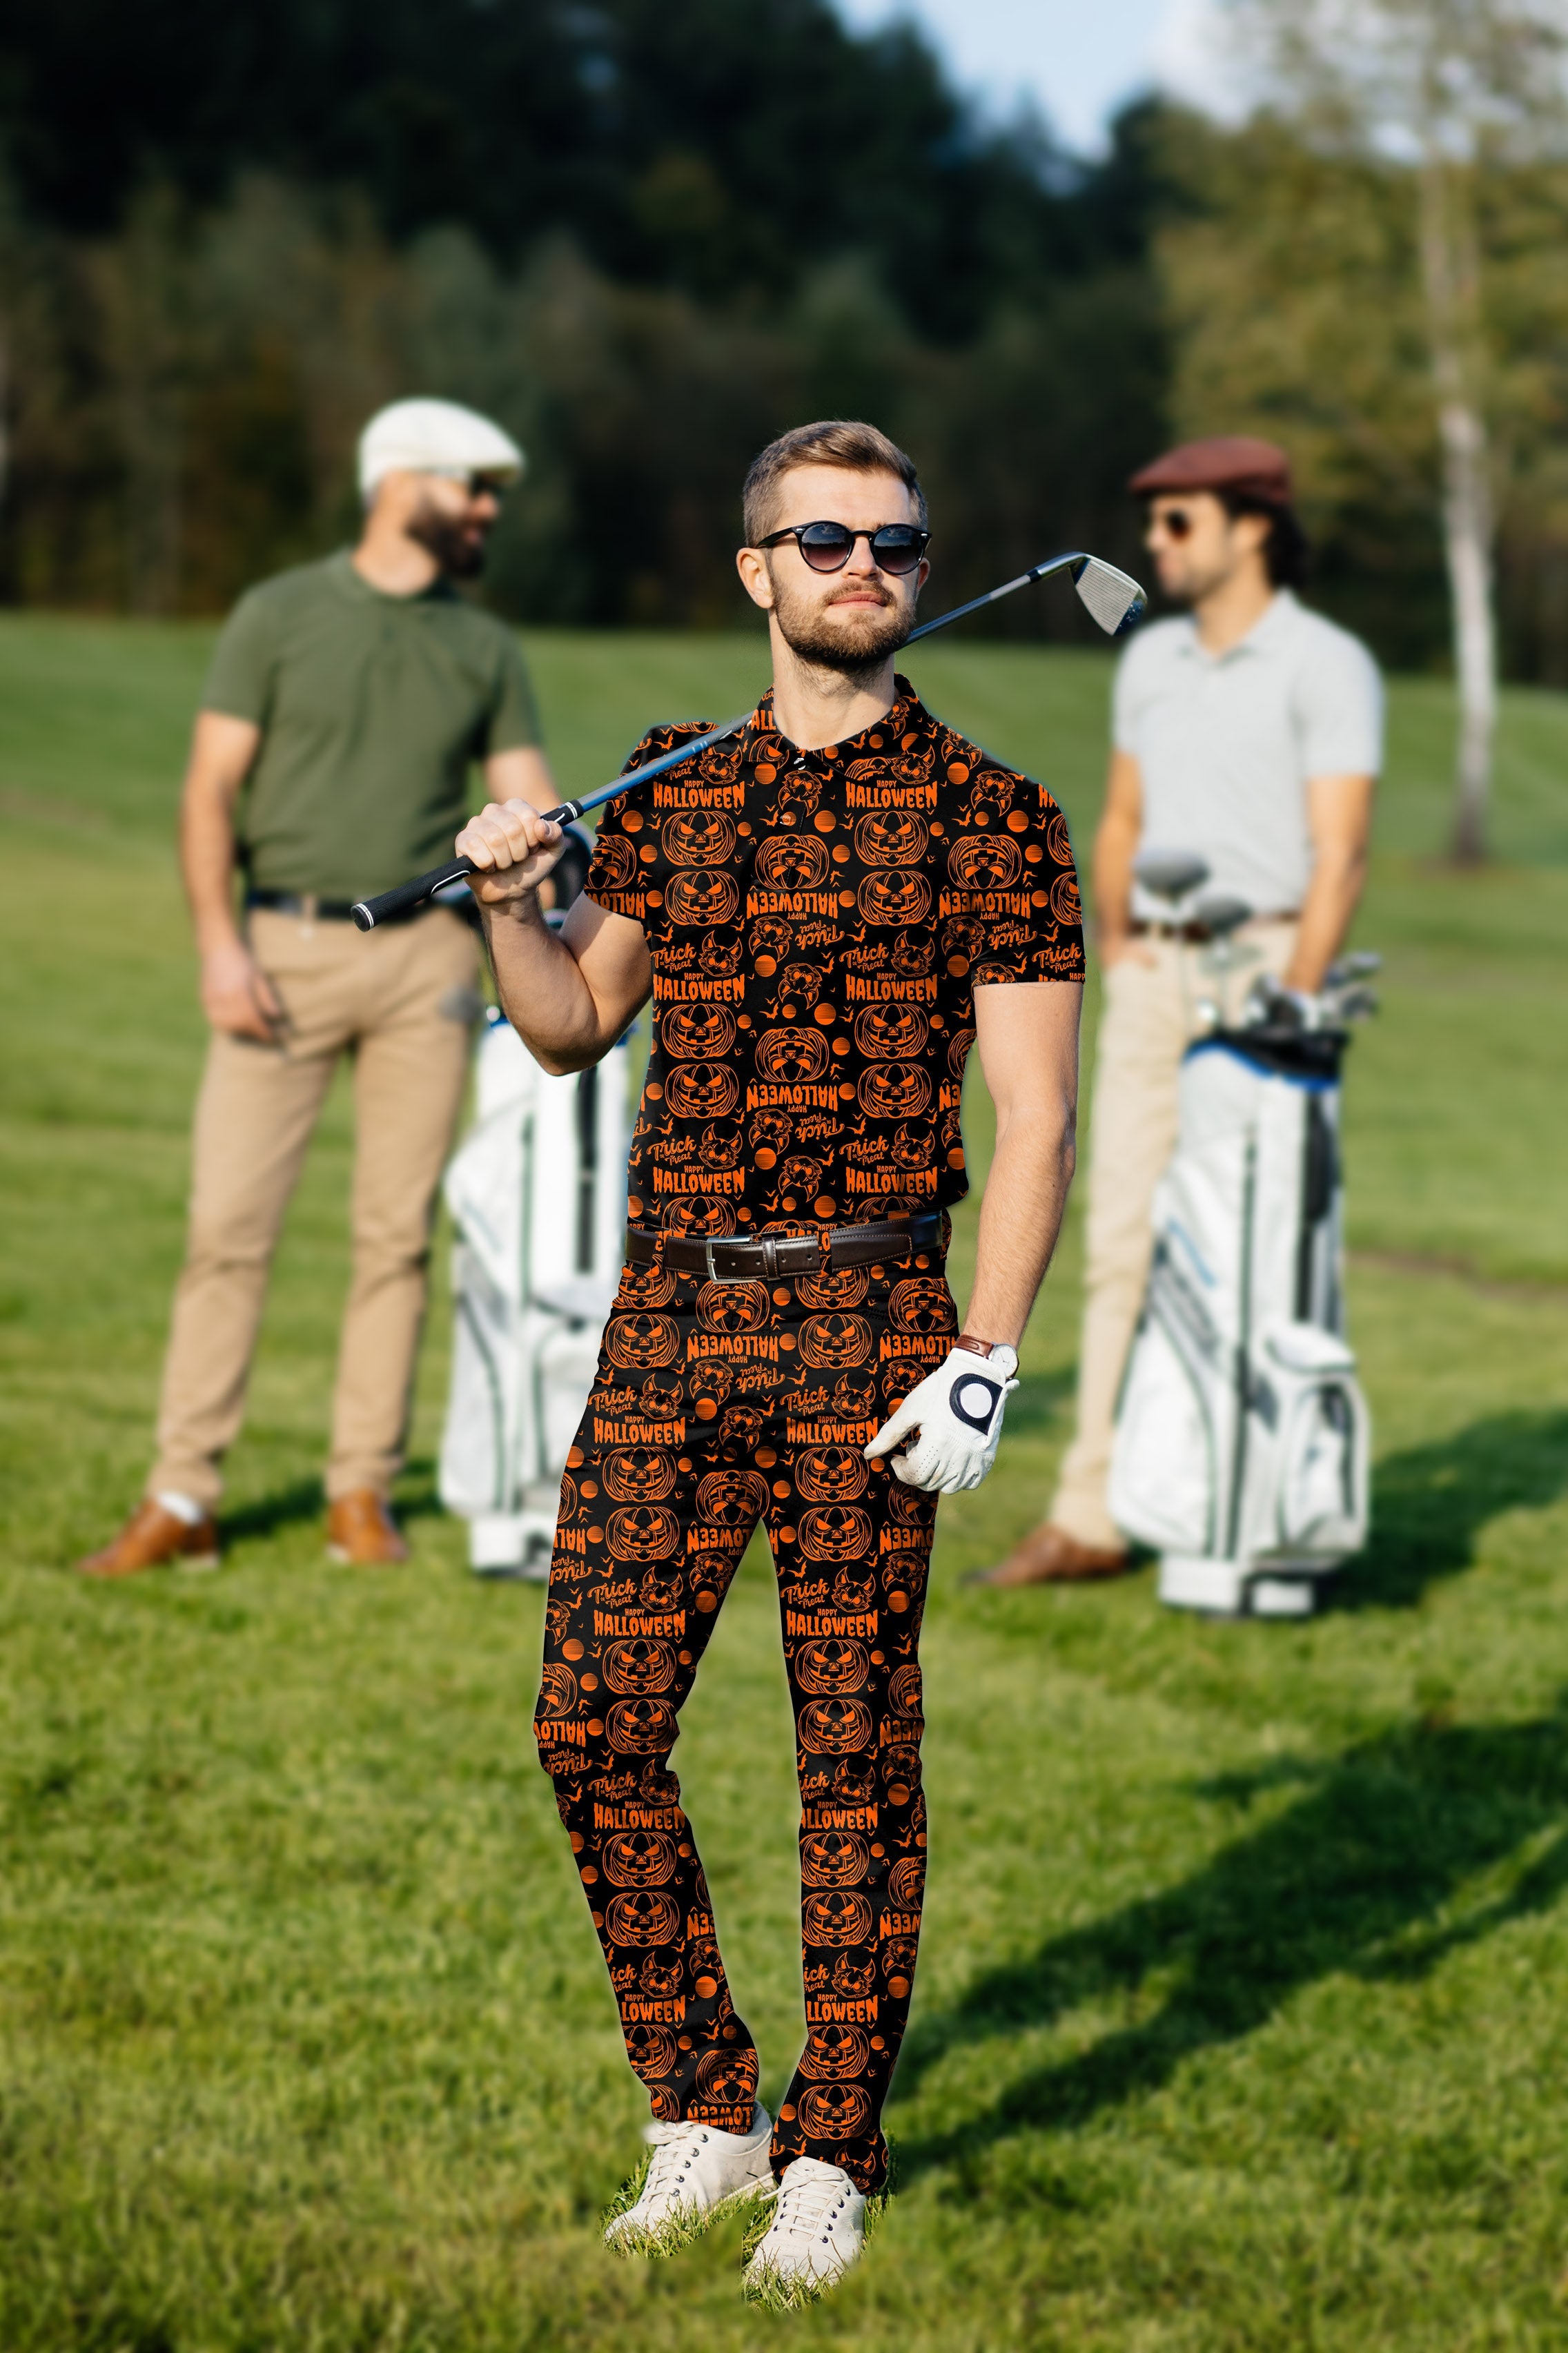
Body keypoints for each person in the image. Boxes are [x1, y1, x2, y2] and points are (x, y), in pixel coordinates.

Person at [453, 419, 1084, 2302]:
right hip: (674, 1312)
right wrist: (507, 900)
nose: (862, 564)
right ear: (758, 573)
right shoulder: (674, 782)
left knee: (852, 1755)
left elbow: (1038, 1114)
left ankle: (832, 2152)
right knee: (589, 1720)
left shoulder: (997, 815)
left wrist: (987, 1352)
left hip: (875, 1322)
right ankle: (702, 2104)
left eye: (893, 540)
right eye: (823, 539)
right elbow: (568, 1025)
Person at [79, 397, 558, 1577]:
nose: (487, 510)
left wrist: (558, 864)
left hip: (429, 964)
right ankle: (183, 1494)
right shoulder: (277, 614)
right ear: (399, 483)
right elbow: (209, 791)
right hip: (279, 950)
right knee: (226, 1230)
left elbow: (536, 802)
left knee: (395, 1237)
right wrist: (218, 946)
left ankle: (360, 1494)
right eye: (471, 486)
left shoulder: (484, 646)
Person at [979, 434, 1382, 1589]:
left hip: (1267, 974)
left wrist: (1295, 999)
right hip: (1155, 975)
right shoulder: (1151, 660)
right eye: (1151, 521)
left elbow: (1342, 854)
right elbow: (1121, 819)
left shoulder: (1327, 663)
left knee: (1254, 1249)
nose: (1155, 542)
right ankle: (1094, 1512)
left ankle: (1250, 1505)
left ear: (1253, 527)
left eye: (1179, 521)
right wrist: (1120, 941)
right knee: (1120, 1241)